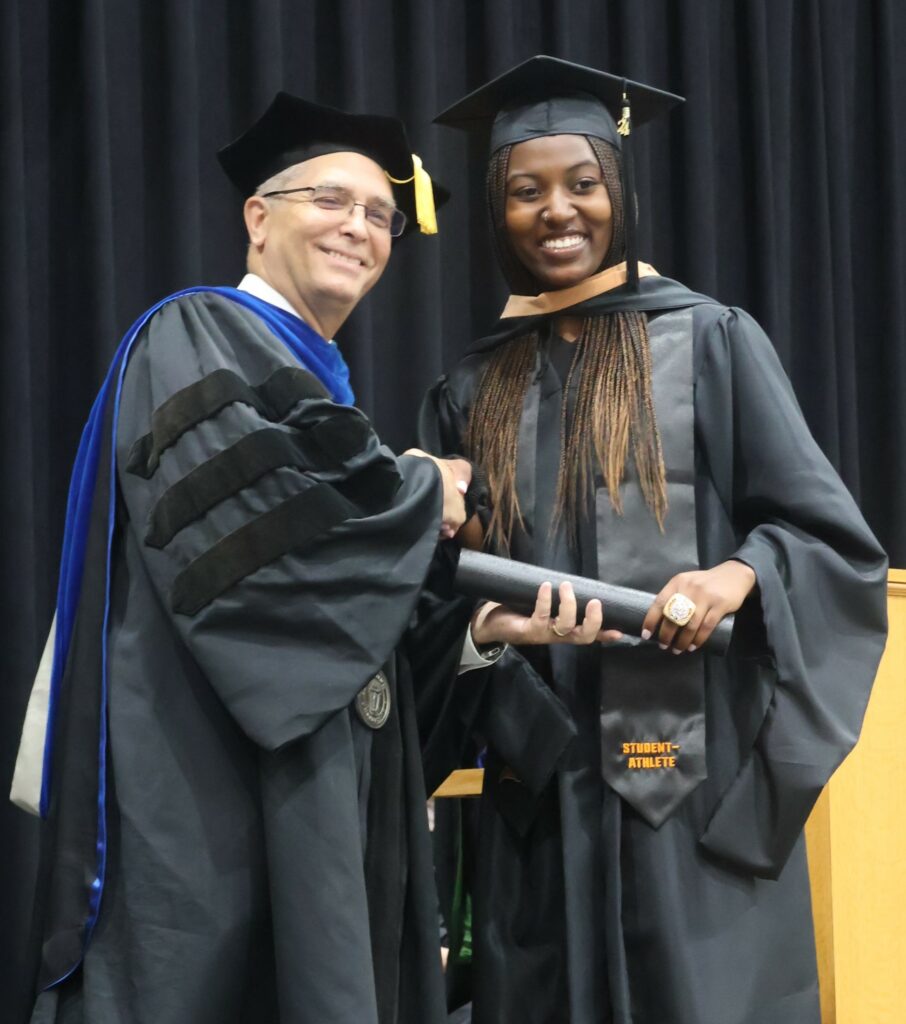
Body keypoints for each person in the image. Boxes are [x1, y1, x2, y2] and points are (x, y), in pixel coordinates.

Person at [16, 91, 514, 1024]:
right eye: (330, 200)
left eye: (380, 216)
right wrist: (420, 493)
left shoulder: (324, 392)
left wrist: (478, 629)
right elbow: (259, 568)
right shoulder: (194, 334)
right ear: (258, 216)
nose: (359, 229)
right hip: (208, 796)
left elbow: (355, 632)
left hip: (312, 806)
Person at [420, 56, 889, 1024]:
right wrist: (489, 624)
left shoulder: (710, 339)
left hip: (690, 794)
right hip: (537, 801)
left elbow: (832, 540)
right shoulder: (473, 386)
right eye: (526, 191)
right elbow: (432, 600)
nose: (558, 210)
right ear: (495, 214)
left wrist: (737, 573)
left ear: (618, 191)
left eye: (583, 184)